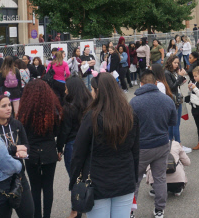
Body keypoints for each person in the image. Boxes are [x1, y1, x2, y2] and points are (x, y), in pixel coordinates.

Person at [68, 73, 139, 218]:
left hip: (96, 181)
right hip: (124, 179)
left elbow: (78, 153)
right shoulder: (130, 115)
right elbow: (135, 151)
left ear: (98, 91)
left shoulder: (91, 117)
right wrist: (134, 177)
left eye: (93, 89)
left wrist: (74, 180)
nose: (91, 93)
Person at [130, 70, 177, 218]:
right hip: (162, 144)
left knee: (134, 180)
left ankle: (130, 211)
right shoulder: (167, 100)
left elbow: (129, 127)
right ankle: (159, 210)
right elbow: (173, 122)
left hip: (142, 146)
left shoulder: (134, 102)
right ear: (156, 83)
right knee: (160, 178)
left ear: (141, 83)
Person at [18, 79, 61, 218]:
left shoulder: (25, 111)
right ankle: (46, 215)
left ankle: (37, 215)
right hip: (49, 151)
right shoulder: (52, 110)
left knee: (35, 188)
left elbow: (22, 132)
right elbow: (56, 132)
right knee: (48, 187)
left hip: (32, 152)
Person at [0, 94, 34, 218]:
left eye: (9, 105)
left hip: (19, 177)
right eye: (4, 106)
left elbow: (26, 145)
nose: (8, 108)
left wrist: (24, 151)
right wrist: (14, 149)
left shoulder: (16, 125)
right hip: (0, 180)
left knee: (28, 212)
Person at [58, 76, 91, 178]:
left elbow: (64, 131)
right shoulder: (90, 103)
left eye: (66, 88)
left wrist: (59, 148)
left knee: (75, 179)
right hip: (89, 142)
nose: (65, 91)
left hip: (73, 144)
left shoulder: (68, 108)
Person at [163, 55, 187, 144]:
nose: (177, 65)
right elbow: (172, 87)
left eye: (178, 63)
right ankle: (178, 144)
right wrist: (180, 77)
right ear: (170, 62)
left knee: (173, 124)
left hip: (175, 98)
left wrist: (181, 79)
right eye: (175, 63)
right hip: (173, 100)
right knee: (175, 124)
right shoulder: (167, 73)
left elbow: (176, 85)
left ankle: (172, 144)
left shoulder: (171, 72)